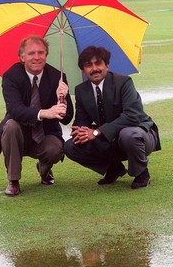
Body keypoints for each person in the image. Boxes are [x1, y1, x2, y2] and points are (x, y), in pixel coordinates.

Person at [64, 46, 161, 189]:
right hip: (109, 139)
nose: (94, 68)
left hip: (139, 134)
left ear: (106, 65)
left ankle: (141, 172)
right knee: (71, 145)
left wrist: (97, 132)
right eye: (88, 65)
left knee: (128, 134)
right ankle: (113, 168)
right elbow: (81, 121)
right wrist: (79, 131)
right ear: (83, 70)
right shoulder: (81, 90)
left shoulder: (124, 82)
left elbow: (132, 116)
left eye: (98, 63)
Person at [0, 35, 74, 196]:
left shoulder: (57, 76)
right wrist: (45, 113)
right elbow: (15, 110)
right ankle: (13, 180)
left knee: (55, 149)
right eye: (31, 53)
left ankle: (44, 169)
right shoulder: (11, 76)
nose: (37, 57)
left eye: (41, 52)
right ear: (22, 57)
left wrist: (64, 97)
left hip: (45, 134)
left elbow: (67, 118)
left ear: (46, 55)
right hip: (18, 134)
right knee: (10, 126)